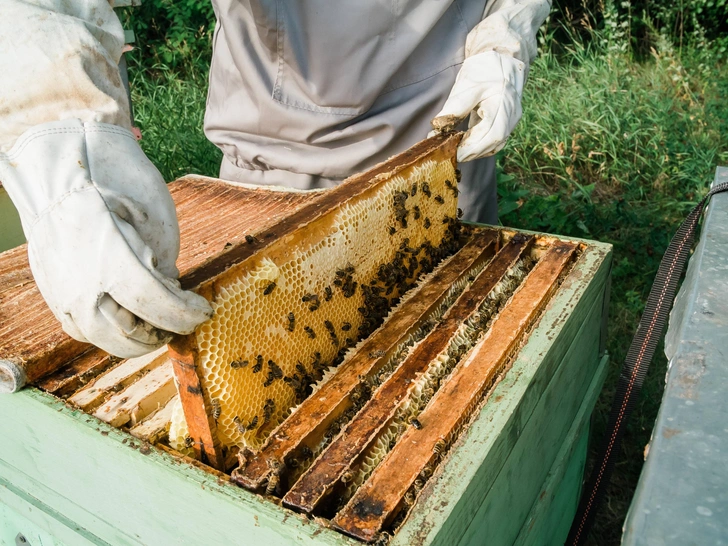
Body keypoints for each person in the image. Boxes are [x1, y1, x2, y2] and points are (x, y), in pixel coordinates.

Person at [0, 0, 550, 358]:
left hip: (438, 153)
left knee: (450, 359)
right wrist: (52, 132)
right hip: (272, 167)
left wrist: (506, 34)